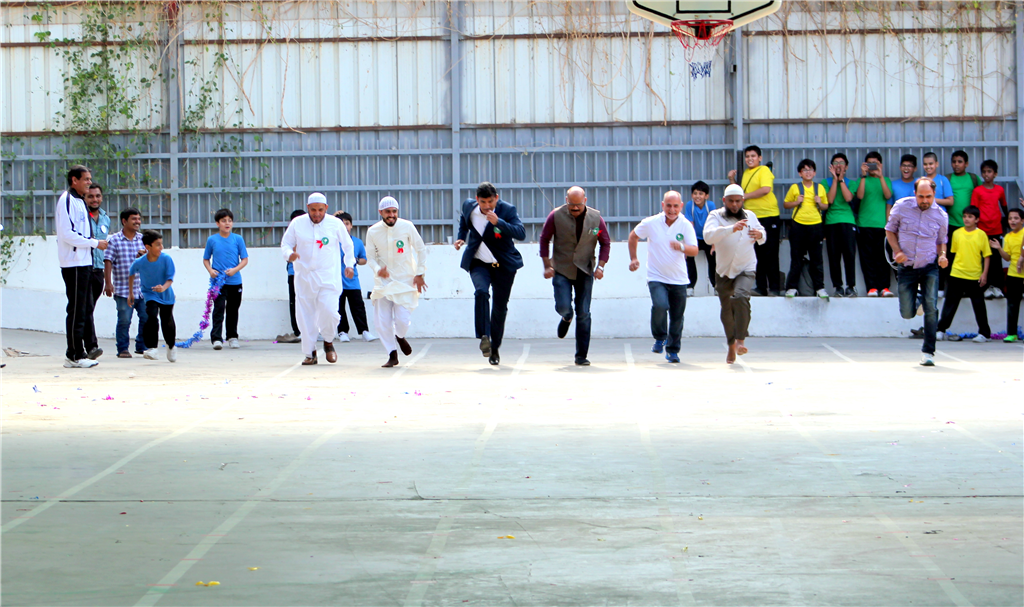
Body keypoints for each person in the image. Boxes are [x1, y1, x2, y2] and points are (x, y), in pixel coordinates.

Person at [454, 182, 526, 366]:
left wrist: (498, 222)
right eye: (483, 202)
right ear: (477, 200)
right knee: (481, 292)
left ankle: (495, 348)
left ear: (497, 198)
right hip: (479, 263)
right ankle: (484, 336)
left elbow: (521, 233)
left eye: (491, 202)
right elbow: (464, 220)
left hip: (504, 264)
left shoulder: (507, 210)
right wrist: (461, 236)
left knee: (499, 308)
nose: (487, 206)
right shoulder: (469, 206)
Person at [280, 193, 356, 365]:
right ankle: (310, 352)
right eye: (313, 210)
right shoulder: (297, 223)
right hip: (304, 277)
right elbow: (285, 244)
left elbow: (348, 245)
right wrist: (289, 254)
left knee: (330, 312)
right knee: (305, 316)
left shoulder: (335, 223)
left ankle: (328, 341)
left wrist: (349, 264)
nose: (317, 214)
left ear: (326, 208)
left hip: (329, 276)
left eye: (320, 210)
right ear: (308, 208)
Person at [539, 186, 611, 366]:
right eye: (572, 204)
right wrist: (547, 265)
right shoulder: (555, 216)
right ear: (566, 201)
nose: (576, 208)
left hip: (585, 270)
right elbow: (544, 239)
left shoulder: (596, 219)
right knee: (564, 306)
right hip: (562, 269)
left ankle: (581, 356)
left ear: (585, 201)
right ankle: (566, 317)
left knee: (584, 313)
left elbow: (605, 242)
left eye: (579, 204)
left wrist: (601, 266)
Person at [628, 191, 698, 363]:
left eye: (675, 206)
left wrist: (682, 247)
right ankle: (660, 337)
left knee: (677, 316)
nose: (672, 210)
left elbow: (694, 250)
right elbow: (633, 236)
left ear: (681, 206)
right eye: (668, 206)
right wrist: (634, 258)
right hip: (656, 276)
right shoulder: (651, 222)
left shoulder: (685, 225)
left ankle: (673, 351)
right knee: (660, 305)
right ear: (662, 205)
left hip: (679, 279)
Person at [885, 179, 949, 367]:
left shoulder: (941, 215)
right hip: (907, 266)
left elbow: (941, 241)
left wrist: (942, 256)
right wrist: (897, 251)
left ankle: (928, 352)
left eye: (928, 196)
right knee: (906, 313)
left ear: (934, 194)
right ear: (914, 193)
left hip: (929, 266)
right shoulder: (901, 206)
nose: (925, 200)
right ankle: (919, 300)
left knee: (932, 307)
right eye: (921, 196)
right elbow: (890, 231)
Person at [704, 184, 766, 364]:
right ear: (724, 200)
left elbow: (763, 233)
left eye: (738, 201)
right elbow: (708, 236)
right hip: (723, 270)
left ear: (742, 201)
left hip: (746, 267)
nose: (734, 205)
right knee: (726, 310)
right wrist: (731, 228)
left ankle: (740, 340)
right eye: (731, 201)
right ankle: (731, 344)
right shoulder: (715, 216)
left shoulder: (750, 216)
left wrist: (759, 234)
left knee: (741, 297)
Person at [365, 196, 428, 368]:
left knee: (402, 320)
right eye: (388, 212)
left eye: (394, 211)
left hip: (405, 280)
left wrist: (420, 273)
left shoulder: (407, 226)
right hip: (383, 282)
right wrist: (378, 270)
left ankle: (400, 336)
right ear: (380, 212)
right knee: (382, 321)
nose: (391, 215)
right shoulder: (373, 231)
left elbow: (421, 249)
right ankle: (391, 353)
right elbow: (370, 257)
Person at [56, 165, 108, 368]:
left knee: (84, 309)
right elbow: (67, 233)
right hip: (74, 262)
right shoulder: (67, 200)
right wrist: (94, 243)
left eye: (90, 178)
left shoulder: (80, 202)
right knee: (76, 309)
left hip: (86, 262)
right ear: (74, 180)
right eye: (86, 179)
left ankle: (80, 352)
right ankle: (74, 354)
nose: (89, 182)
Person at [728, 145, 780, 296]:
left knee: (771, 252)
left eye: (753, 156)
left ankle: (775, 288)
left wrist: (745, 196)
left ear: (760, 158)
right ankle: (761, 287)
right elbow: (738, 192)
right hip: (752, 218)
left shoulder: (764, 170)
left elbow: (765, 189)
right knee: (757, 253)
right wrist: (731, 179)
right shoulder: (745, 173)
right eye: (747, 156)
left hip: (768, 216)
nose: (750, 159)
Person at [937, 205, 991, 343]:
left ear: (977, 219)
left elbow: (986, 256)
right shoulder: (957, 233)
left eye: (970, 217)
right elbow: (953, 254)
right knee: (950, 304)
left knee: (979, 305)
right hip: (957, 273)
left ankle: (984, 333)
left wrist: (984, 274)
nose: (966, 219)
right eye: (965, 216)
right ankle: (940, 330)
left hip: (974, 275)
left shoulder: (981, 235)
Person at [103, 207, 148, 357]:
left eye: (139, 219)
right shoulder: (114, 240)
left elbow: (153, 260)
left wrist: (145, 256)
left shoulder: (143, 239)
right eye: (134, 219)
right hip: (123, 290)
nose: (137, 222)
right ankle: (122, 349)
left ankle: (142, 346)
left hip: (142, 289)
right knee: (124, 320)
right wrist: (108, 283)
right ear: (124, 221)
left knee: (146, 317)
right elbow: (108, 261)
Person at [128, 230, 178, 362]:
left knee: (167, 321)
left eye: (161, 244)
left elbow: (170, 279)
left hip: (166, 293)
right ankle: (152, 348)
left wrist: (163, 288)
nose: (161, 247)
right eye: (157, 244)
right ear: (148, 247)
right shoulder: (140, 262)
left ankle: (171, 346)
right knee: (151, 315)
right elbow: (131, 273)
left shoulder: (166, 259)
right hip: (149, 293)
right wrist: (131, 292)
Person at [783, 159, 830, 299]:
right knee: (796, 258)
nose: (808, 172)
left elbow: (826, 206)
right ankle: (792, 287)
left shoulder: (820, 188)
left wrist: (820, 203)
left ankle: (819, 288)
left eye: (810, 170)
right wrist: (796, 202)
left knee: (817, 259)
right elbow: (785, 204)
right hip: (798, 225)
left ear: (814, 173)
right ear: (800, 173)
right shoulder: (795, 188)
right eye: (804, 170)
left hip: (816, 225)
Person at [203, 208, 249, 350]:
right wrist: (210, 271)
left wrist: (235, 270)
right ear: (218, 223)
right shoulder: (212, 240)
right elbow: (206, 259)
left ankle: (232, 337)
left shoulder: (238, 239)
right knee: (219, 309)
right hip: (219, 283)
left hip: (235, 282)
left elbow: (245, 259)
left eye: (229, 221)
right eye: (223, 221)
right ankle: (216, 338)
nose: (227, 223)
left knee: (233, 310)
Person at [852, 151, 895, 297]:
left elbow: (888, 195)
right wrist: (864, 176)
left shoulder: (886, 180)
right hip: (864, 224)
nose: (872, 166)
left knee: (882, 257)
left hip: (881, 225)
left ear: (880, 164)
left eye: (874, 163)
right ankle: (871, 287)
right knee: (867, 258)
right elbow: (860, 195)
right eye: (869, 163)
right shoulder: (861, 180)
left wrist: (880, 175)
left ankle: (884, 287)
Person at [334, 211, 376, 343]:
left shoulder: (357, 242)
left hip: (352, 281)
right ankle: (342, 332)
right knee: (339, 307)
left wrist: (355, 260)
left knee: (358, 306)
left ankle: (364, 331)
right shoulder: (333, 242)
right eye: (341, 224)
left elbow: (364, 259)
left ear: (351, 225)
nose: (345, 227)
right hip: (337, 281)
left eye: (347, 224)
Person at [945, 150, 982, 295]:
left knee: (970, 257)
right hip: (951, 224)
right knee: (952, 257)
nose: (956, 164)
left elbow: (981, 197)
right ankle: (952, 288)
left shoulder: (973, 178)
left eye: (960, 162)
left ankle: (970, 288)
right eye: (954, 162)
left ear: (966, 164)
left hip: (970, 227)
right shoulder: (947, 179)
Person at [971, 159, 1008, 299]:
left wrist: (1009, 220)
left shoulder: (1000, 190)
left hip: (996, 230)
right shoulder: (977, 191)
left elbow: (1004, 206)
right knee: (982, 259)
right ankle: (984, 287)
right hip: (981, 230)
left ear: (995, 174)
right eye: (984, 172)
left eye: (989, 172)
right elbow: (974, 210)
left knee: (996, 260)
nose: (986, 174)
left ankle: (997, 287)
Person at [824, 152, 858, 297]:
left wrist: (841, 180)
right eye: (835, 163)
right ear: (831, 166)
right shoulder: (825, 182)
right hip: (831, 221)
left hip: (848, 221)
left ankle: (851, 286)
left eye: (841, 163)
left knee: (849, 255)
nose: (838, 165)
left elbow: (848, 197)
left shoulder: (852, 182)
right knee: (833, 255)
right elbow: (830, 200)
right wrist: (835, 180)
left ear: (847, 166)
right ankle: (837, 286)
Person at [991, 208, 1023, 342]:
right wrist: (999, 248)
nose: (1012, 221)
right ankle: (1012, 333)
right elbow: (1007, 257)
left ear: (1022, 220)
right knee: (1012, 305)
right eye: (1010, 218)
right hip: (1013, 274)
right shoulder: (1008, 237)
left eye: (1016, 218)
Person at [275, 209, 306, 344]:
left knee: (311, 301)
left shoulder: (310, 234)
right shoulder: (290, 237)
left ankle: (313, 330)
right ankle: (298, 331)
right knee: (295, 302)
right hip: (294, 273)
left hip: (309, 273)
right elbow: (286, 252)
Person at [683, 181, 716, 296]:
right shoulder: (690, 205)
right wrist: (688, 244)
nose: (697, 196)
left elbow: (713, 224)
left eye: (701, 194)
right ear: (692, 195)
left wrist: (714, 244)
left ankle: (716, 286)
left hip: (708, 237)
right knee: (689, 258)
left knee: (713, 259)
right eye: (695, 193)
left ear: (706, 196)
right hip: (695, 237)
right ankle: (690, 287)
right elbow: (690, 225)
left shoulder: (710, 206)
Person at [84, 183, 110, 311]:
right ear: (84, 198)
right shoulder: (82, 217)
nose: (95, 199)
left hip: (99, 270)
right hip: (84, 269)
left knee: (91, 308)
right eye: (90, 196)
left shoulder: (106, 219)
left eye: (98, 196)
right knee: (83, 307)